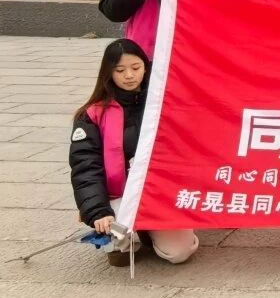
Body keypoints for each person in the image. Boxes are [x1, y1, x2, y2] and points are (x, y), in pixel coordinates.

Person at [69, 39, 198, 266]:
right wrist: (97, 210)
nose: (129, 75)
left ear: (146, 67)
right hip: (118, 197)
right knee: (117, 243)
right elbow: (85, 167)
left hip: (159, 195)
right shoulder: (93, 114)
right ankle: (124, 236)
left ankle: (149, 230)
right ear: (108, 73)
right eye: (120, 70)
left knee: (179, 252)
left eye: (136, 67)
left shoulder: (164, 102)